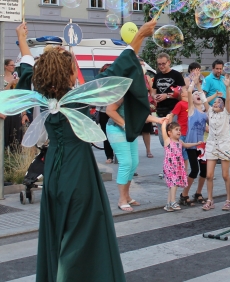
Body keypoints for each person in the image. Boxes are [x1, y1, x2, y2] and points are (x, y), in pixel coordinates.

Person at [11, 20, 157, 281]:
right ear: (67, 74)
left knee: (59, 225)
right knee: (82, 231)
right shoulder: (77, 99)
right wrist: (140, 36)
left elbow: (25, 68)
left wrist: (22, 38)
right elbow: (118, 67)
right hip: (78, 172)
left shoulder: (43, 97)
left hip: (54, 169)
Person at [198, 73, 230, 211]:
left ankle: (228, 200)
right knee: (209, 175)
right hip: (212, 146)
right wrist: (197, 84)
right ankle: (210, 200)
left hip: (225, 145)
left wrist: (227, 88)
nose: (215, 104)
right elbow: (203, 98)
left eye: (218, 102)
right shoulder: (210, 113)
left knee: (225, 175)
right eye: (214, 102)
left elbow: (227, 102)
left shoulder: (226, 113)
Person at [179, 70, 216, 206]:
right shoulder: (192, 109)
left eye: (198, 94)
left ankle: (198, 193)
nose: (196, 95)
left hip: (201, 146)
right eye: (195, 95)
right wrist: (193, 84)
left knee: (204, 171)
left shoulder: (204, 113)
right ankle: (184, 194)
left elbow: (207, 128)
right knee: (194, 169)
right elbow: (189, 92)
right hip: (191, 144)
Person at [161, 118, 202, 211]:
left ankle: (168, 204)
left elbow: (187, 145)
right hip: (170, 166)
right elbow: (163, 130)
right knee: (174, 183)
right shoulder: (168, 141)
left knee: (172, 185)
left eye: (179, 130)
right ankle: (173, 201)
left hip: (178, 166)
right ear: (169, 133)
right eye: (176, 130)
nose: (179, 131)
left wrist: (196, 143)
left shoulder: (180, 142)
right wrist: (164, 122)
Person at [152, 52, 185, 146]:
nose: (161, 66)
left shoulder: (176, 75)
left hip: (173, 110)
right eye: (159, 64)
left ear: (169, 62)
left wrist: (167, 96)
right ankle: (169, 157)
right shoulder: (157, 76)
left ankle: (175, 158)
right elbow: (153, 91)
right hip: (160, 110)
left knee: (173, 136)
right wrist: (155, 97)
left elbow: (183, 93)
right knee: (163, 139)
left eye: (163, 63)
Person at [1, 59, 29, 150]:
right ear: (6, 66)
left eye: (14, 65)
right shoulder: (2, 79)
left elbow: (20, 97)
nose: (13, 67)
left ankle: (15, 153)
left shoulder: (16, 79)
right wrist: (10, 84)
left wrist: (23, 113)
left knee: (16, 133)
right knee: (6, 132)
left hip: (16, 107)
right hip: (5, 108)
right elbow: (2, 94)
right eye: (11, 65)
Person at [96, 63, 114, 163]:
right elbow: (100, 94)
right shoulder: (99, 82)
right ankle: (109, 156)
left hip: (115, 111)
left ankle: (119, 155)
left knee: (117, 133)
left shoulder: (116, 82)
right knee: (106, 134)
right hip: (103, 110)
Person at [140, 58, 155, 158]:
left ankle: (148, 150)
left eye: (143, 64)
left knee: (146, 130)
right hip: (135, 107)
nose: (142, 67)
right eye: (140, 64)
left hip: (146, 106)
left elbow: (152, 91)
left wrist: (153, 100)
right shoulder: (132, 77)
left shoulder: (147, 77)